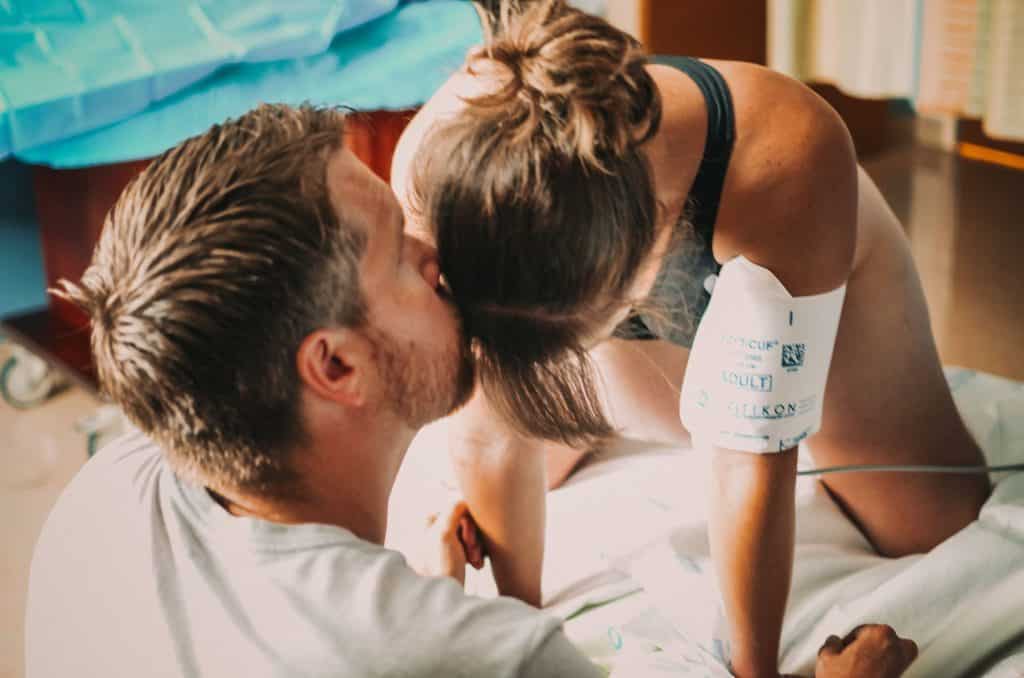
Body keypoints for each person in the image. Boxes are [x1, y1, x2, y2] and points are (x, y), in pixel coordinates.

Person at [24, 103, 916, 678]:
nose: (434, 252)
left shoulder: (99, 498)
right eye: (399, 254)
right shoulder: (473, 654)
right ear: (334, 367)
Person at [389, 2, 990, 677]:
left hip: (808, 247)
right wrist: (523, 628)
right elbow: (485, 417)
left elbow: (750, 455)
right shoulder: (431, 167)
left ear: (644, 252)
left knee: (936, 525)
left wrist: (751, 670)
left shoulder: (785, 157)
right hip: (583, 287)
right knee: (494, 431)